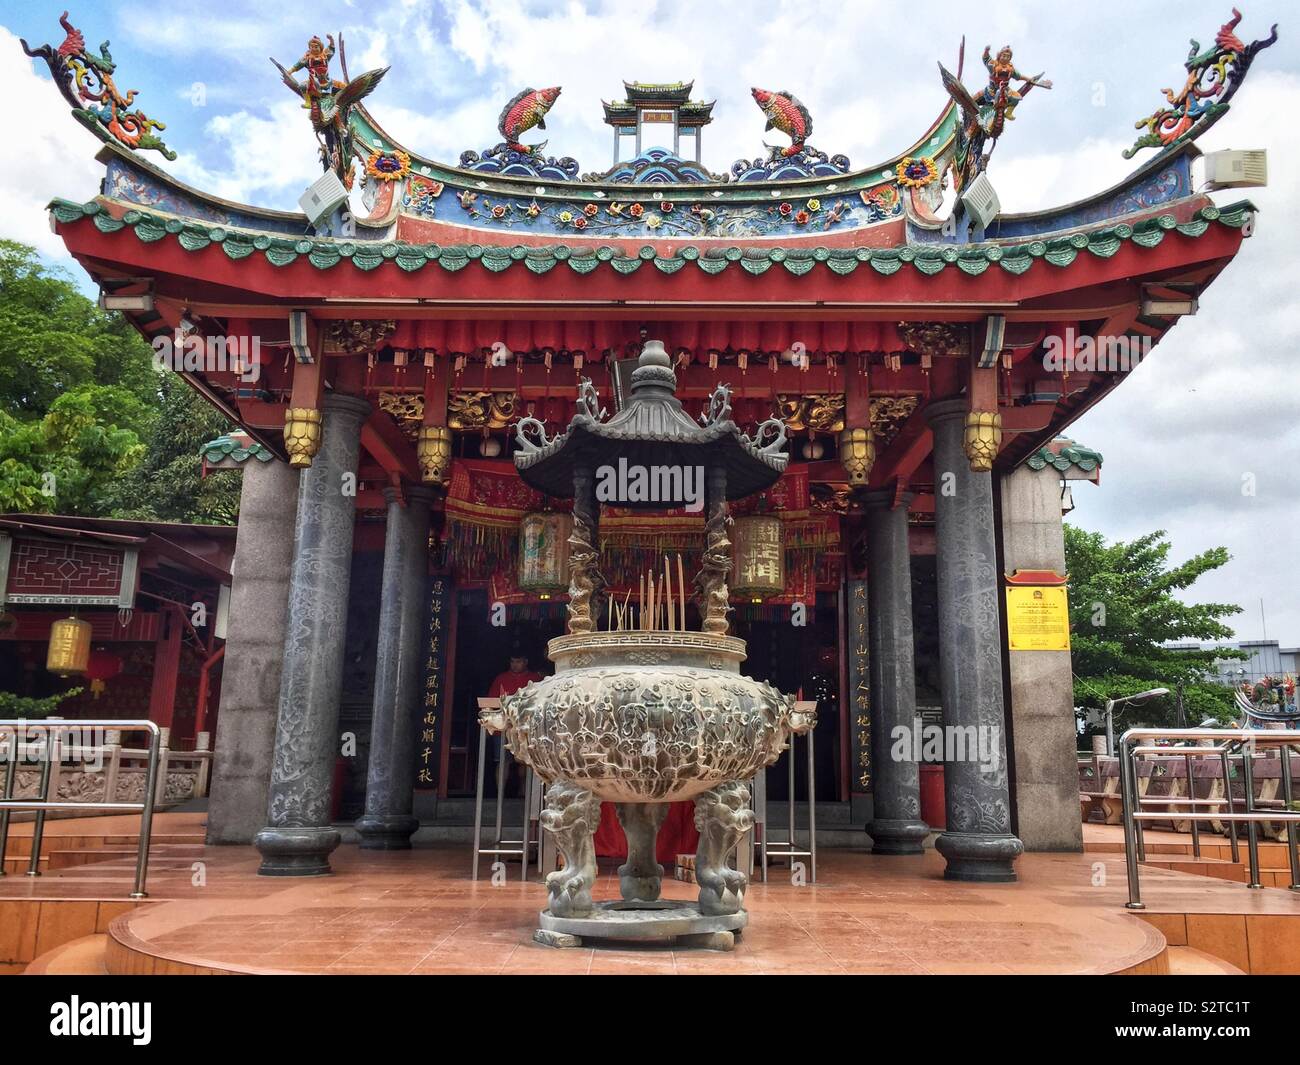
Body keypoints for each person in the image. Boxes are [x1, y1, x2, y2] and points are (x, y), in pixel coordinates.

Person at [486, 647, 542, 796]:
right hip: (502, 728)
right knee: (502, 762)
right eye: (512, 662)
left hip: (525, 728)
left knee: (526, 762)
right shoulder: (501, 678)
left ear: (525, 662)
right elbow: (490, 703)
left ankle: (523, 792)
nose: (515, 665)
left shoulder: (535, 678)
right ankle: (500, 795)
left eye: (518, 662)